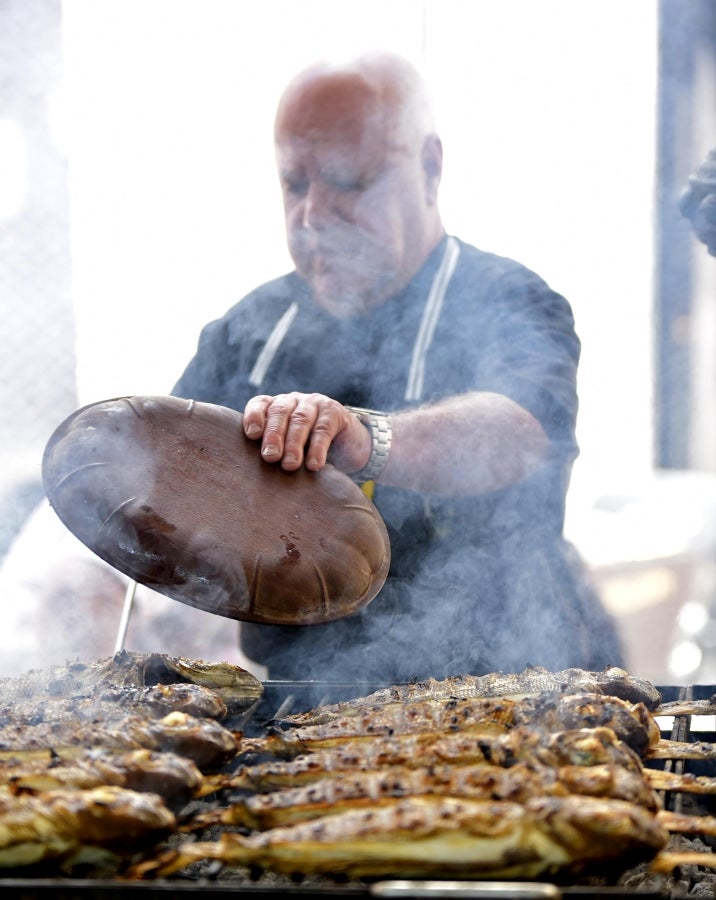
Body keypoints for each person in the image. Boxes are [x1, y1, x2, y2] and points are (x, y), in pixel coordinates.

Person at [173, 52, 624, 683]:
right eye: (295, 184)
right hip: (299, 710)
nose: (313, 216)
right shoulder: (252, 332)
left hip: (502, 695)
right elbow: (170, 476)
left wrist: (364, 438)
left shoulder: (507, 299)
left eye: (350, 181)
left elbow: (521, 432)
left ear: (431, 168)